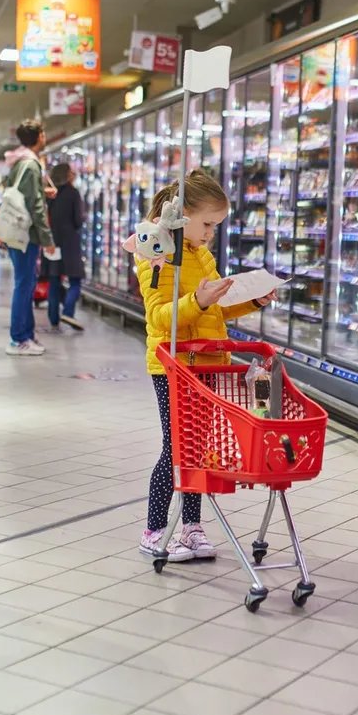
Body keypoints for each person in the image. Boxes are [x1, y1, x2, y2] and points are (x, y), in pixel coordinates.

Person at [136, 170, 275, 561]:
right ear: (182, 214)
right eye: (208, 224)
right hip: (174, 365)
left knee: (198, 449)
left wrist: (254, 300)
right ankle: (154, 529)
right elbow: (159, 317)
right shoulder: (156, 254)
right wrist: (195, 301)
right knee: (176, 447)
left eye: (217, 226)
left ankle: (191, 528)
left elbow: (216, 307)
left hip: (209, 362)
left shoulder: (201, 254)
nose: (212, 232)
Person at [3, 119, 57, 356]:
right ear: (38, 137)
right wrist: (47, 239)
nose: (45, 137)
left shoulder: (19, 162)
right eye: (43, 133)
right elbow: (35, 206)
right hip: (26, 234)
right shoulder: (31, 164)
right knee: (24, 285)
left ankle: (27, 335)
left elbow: (24, 194)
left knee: (25, 283)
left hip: (17, 232)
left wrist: (43, 192)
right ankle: (18, 339)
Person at [40, 163, 86, 332]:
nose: (74, 174)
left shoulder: (50, 194)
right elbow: (78, 220)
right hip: (70, 243)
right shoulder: (73, 193)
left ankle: (53, 318)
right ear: (67, 175)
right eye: (71, 172)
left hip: (51, 242)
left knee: (54, 280)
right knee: (75, 280)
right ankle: (67, 312)